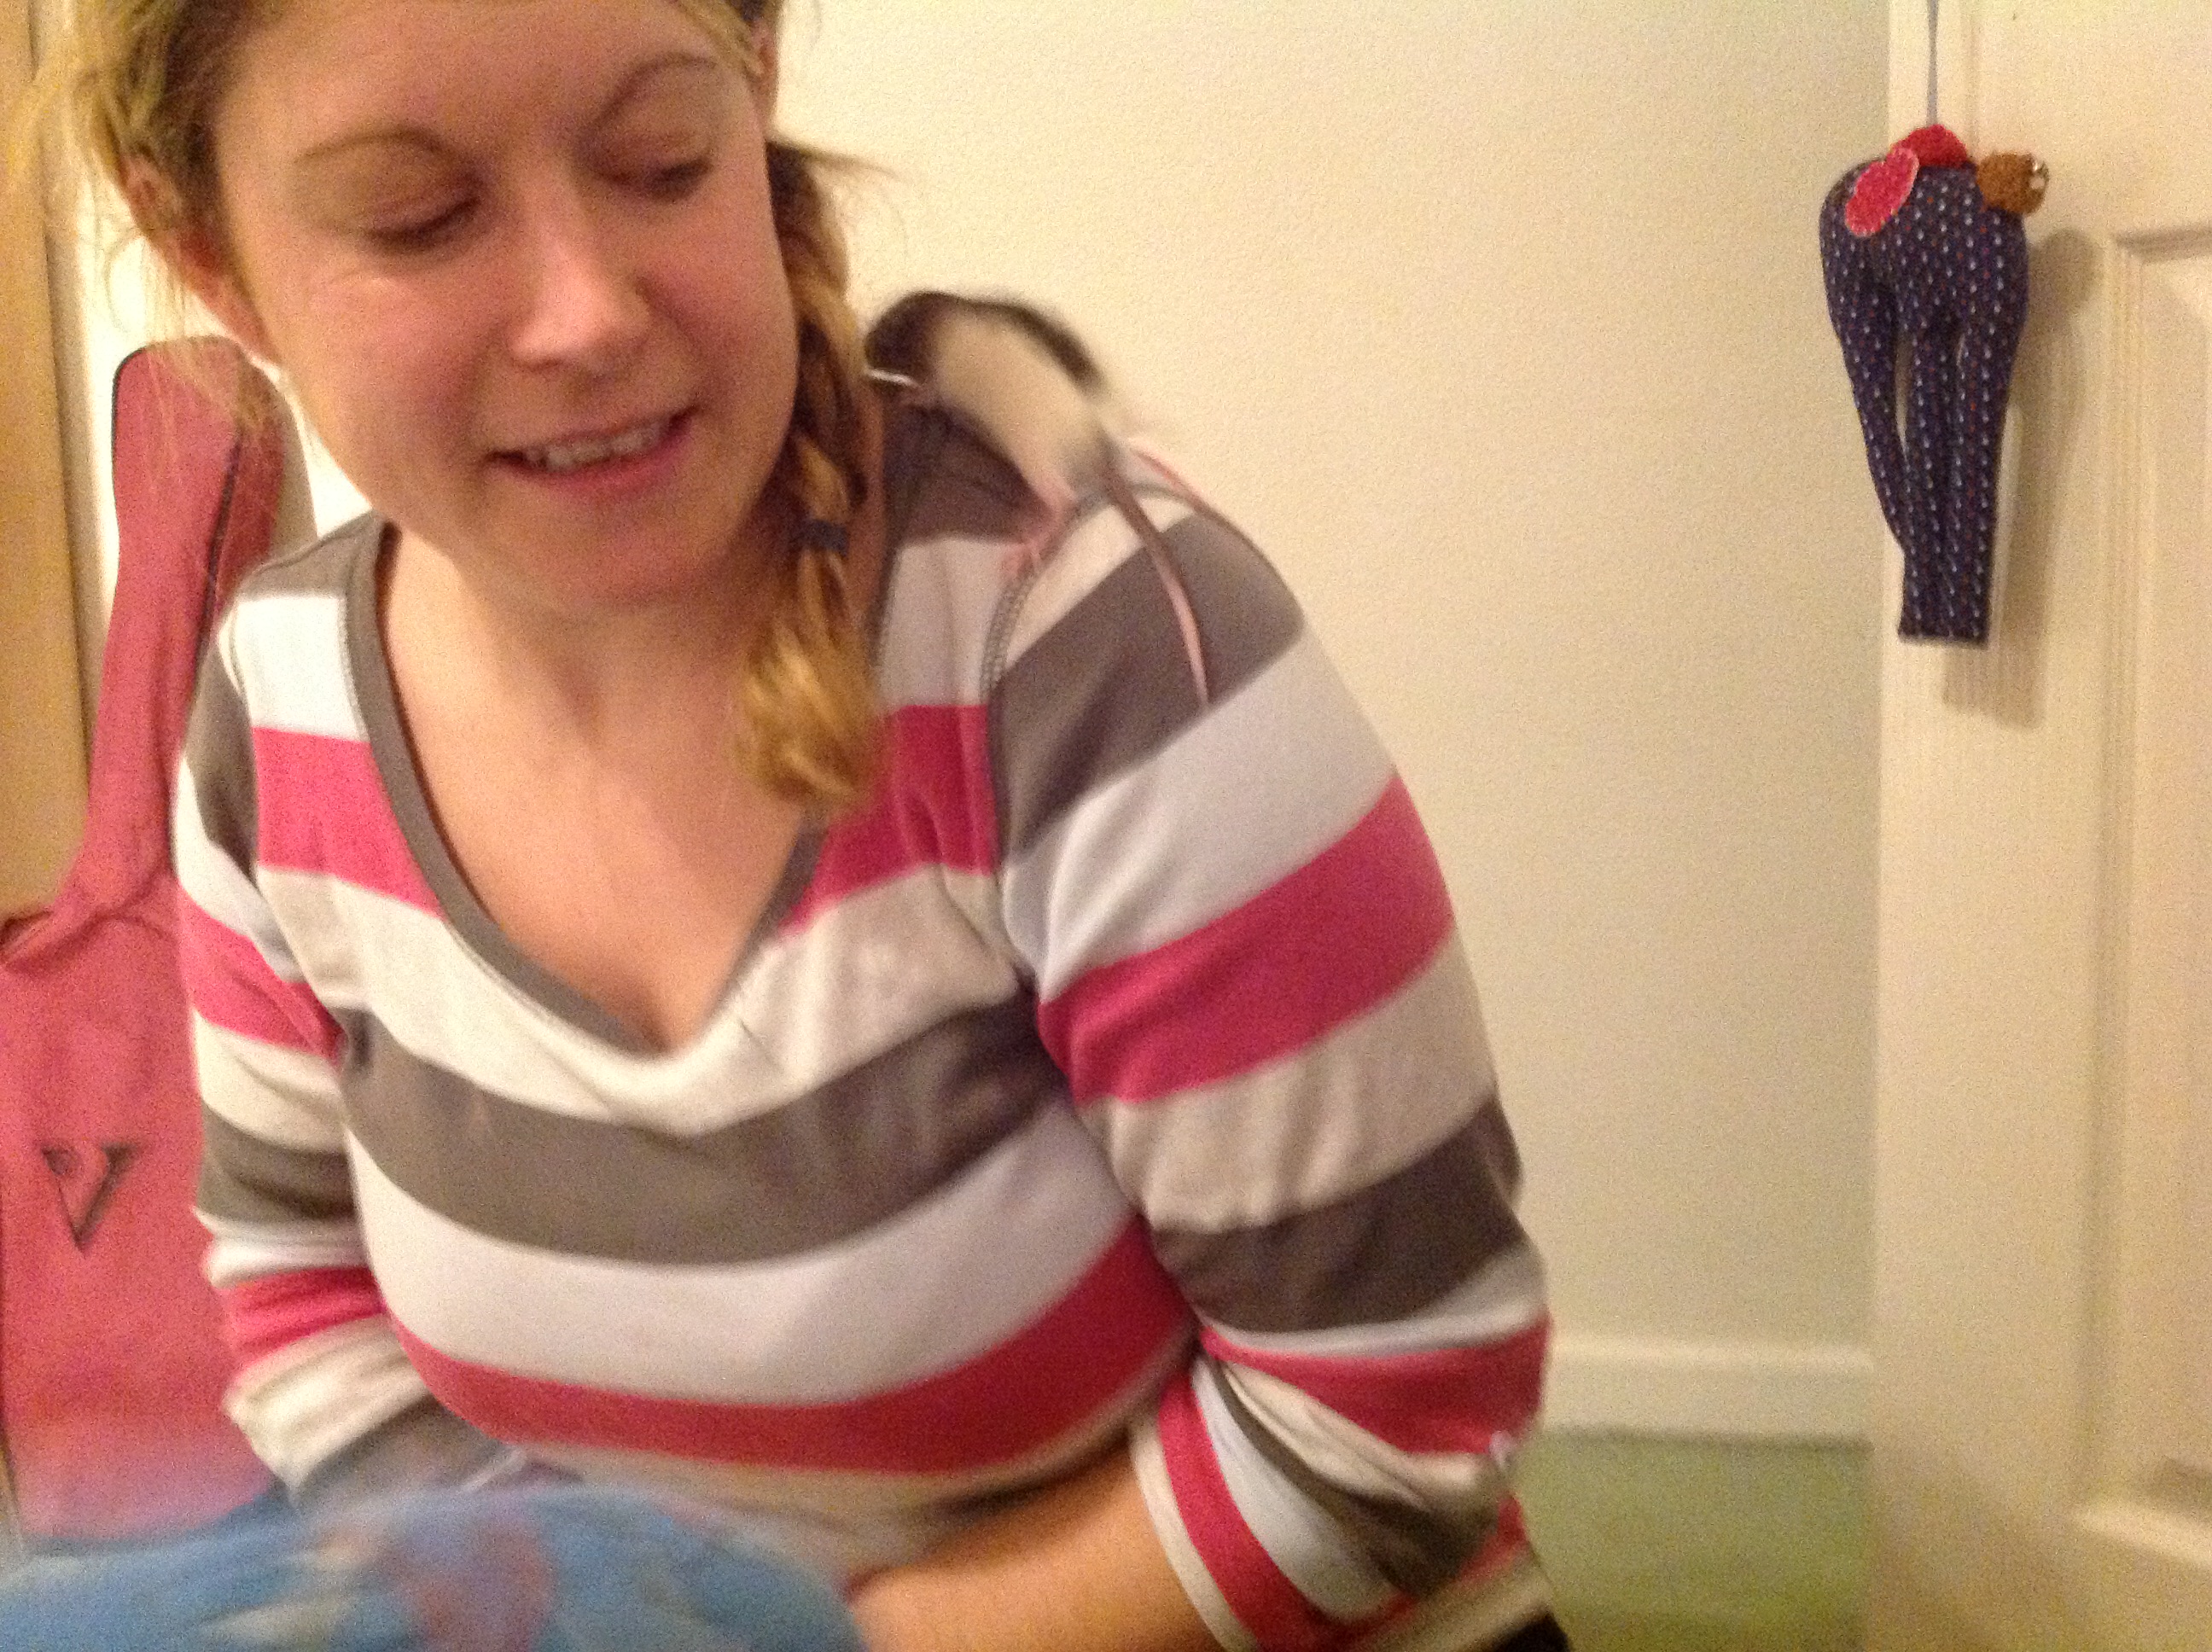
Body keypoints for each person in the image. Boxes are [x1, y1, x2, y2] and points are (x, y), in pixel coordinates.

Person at [38, 1, 1567, 1647]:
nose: (586, 313)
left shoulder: (1084, 641)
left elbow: (1392, 1422)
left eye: (660, 162)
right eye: (419, 219)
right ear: (212, 257)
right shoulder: (276, 715)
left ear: (755, 74)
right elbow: (310, 1315)